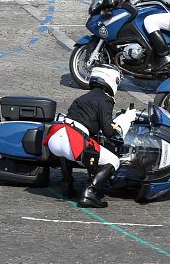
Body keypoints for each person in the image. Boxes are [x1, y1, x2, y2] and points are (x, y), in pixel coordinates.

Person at [45, 65, 138, 208]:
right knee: (113, 161)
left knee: (70, 151)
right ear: (111, 79)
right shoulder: (105, 99)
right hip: (72, 139)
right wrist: (127, 118)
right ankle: (90, 193)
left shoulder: (83, 97)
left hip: (56, 137)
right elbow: (108, 131)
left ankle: (67, 185)